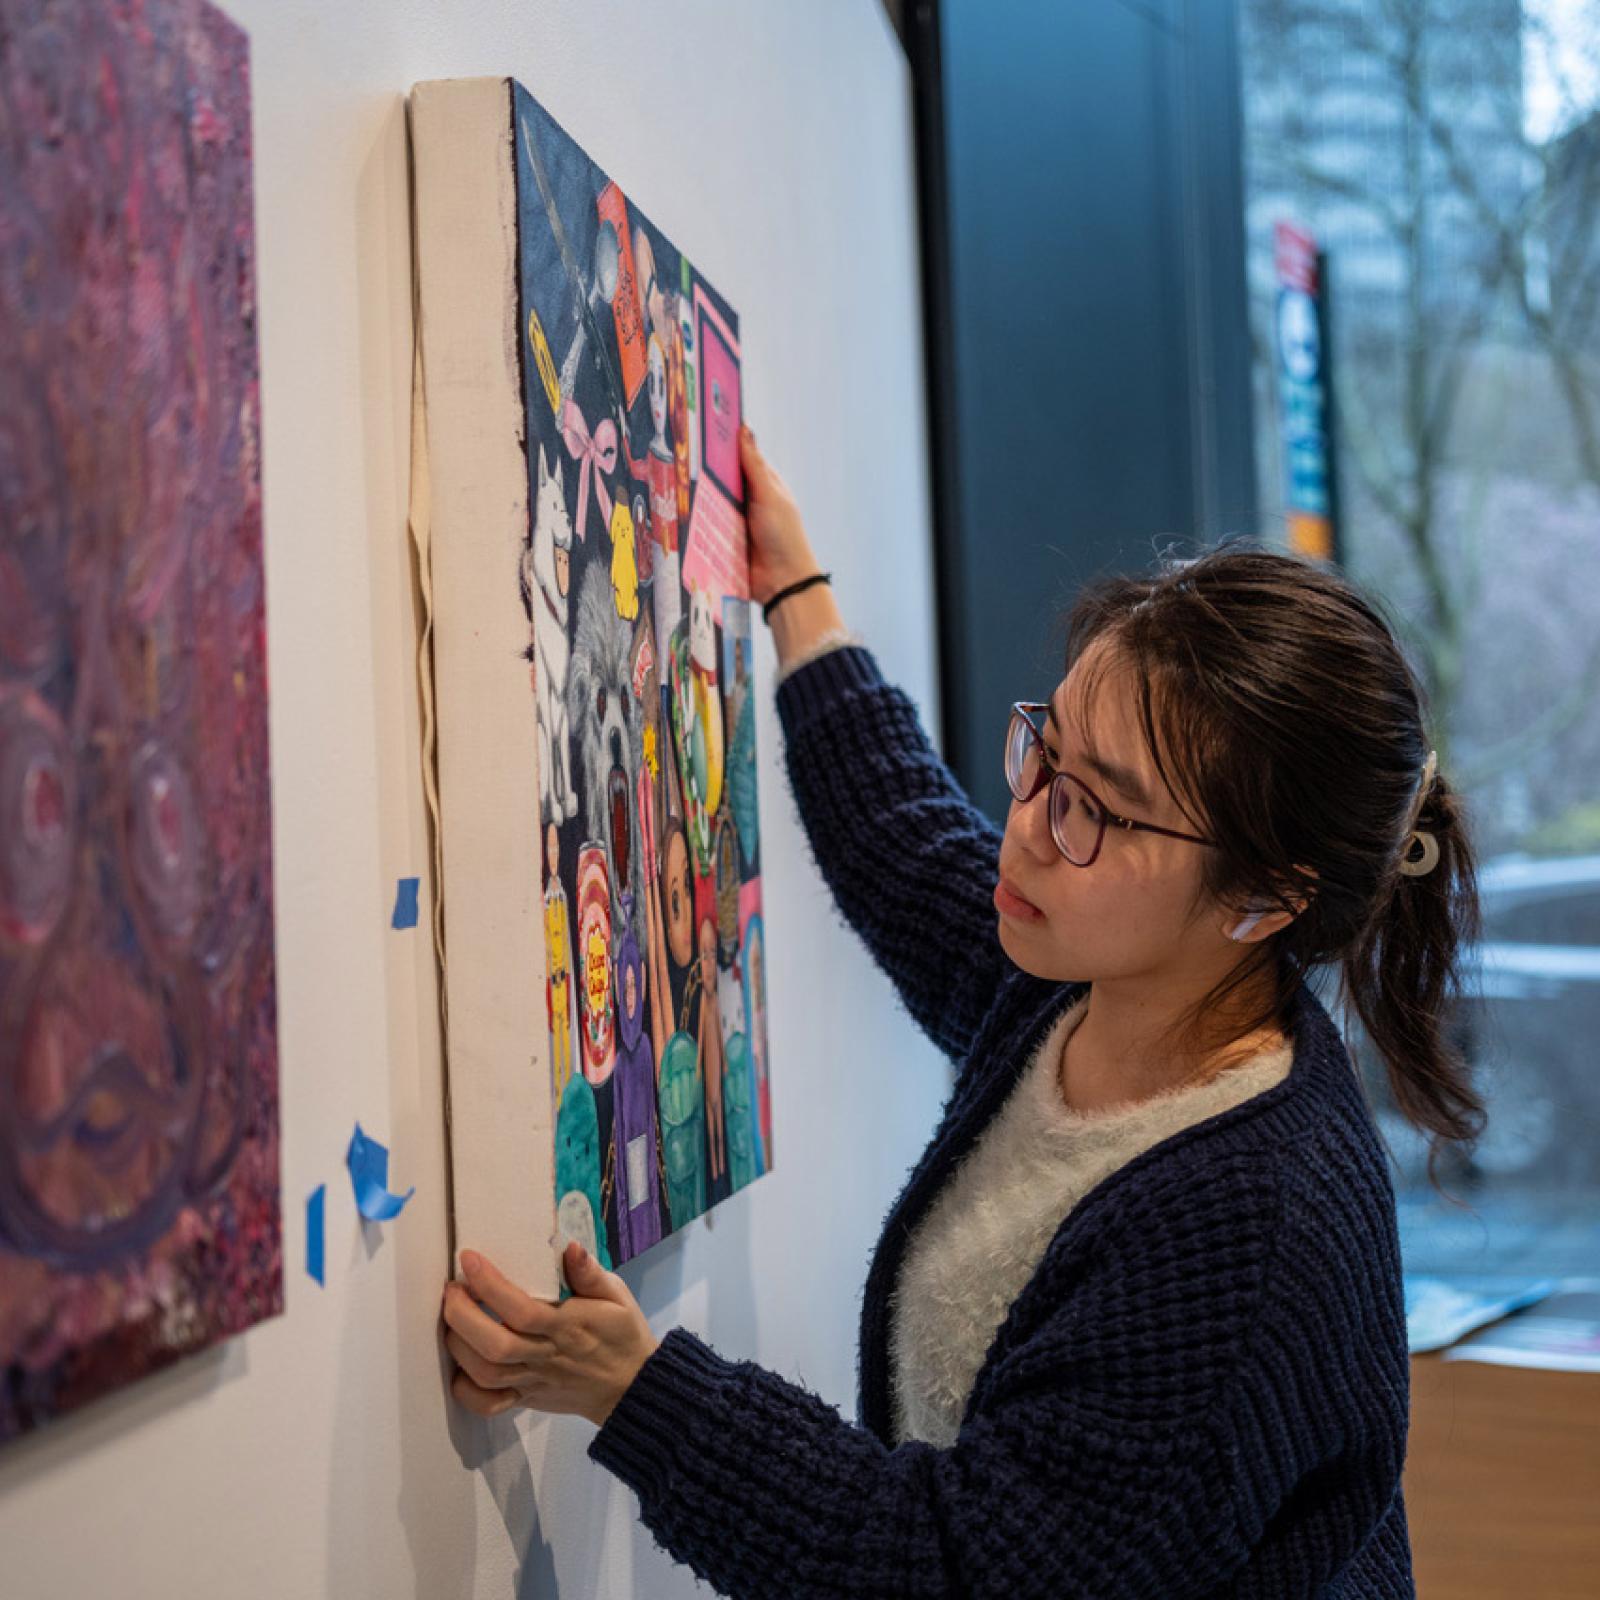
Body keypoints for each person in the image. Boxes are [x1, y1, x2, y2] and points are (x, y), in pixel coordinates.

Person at [442, 423, 1483, 1597]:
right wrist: (796, 593)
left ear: (1260, 897)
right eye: (1045, 748)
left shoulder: (1251, 1226)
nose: (1031, 823)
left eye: (1099, 809)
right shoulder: (1094, 983)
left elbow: (956, 1571)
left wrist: (641, 1392)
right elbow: (907, 848)